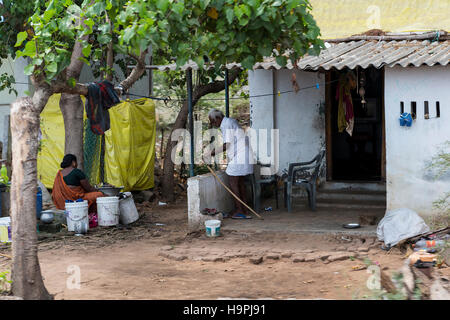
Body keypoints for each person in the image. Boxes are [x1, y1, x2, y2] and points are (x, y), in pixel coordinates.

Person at [208, 109, 254, 219]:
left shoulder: (226, 124)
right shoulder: (230, 121)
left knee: (233, 181)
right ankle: (244, 209)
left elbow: (227, 145)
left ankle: (240, 210)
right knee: (240, 182)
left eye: (213, 122)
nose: (213, 124)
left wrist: (212, 152)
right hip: (244, 155)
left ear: (218, 118)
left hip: (241, 155)